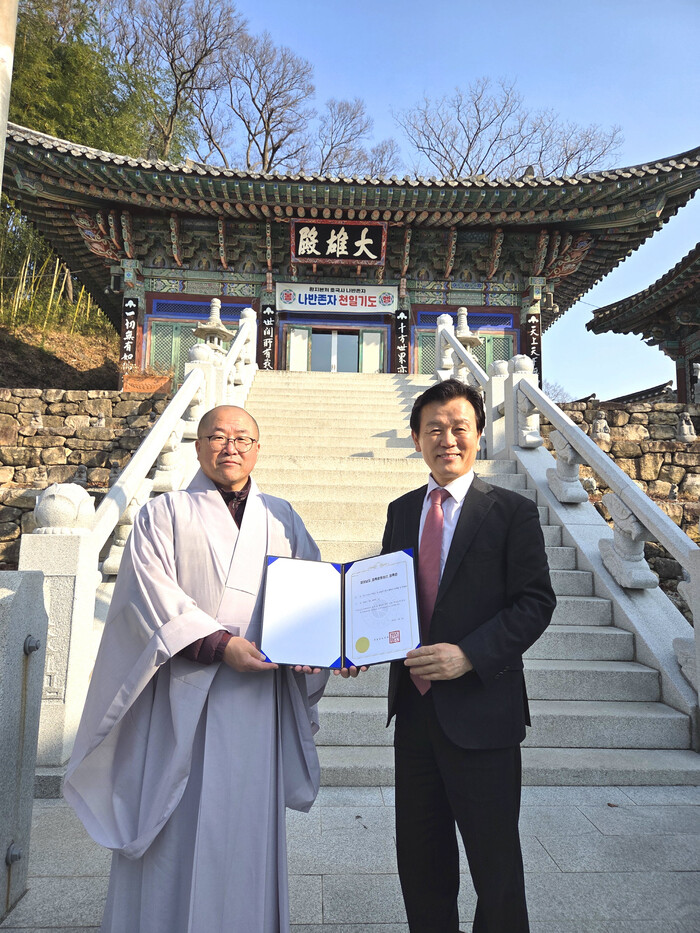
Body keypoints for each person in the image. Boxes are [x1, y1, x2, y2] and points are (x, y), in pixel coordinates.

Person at [64, 405, 329, 933]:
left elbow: (314, 595)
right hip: (185, 695)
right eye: (218, 436)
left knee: (245, 825)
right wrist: (220, 644)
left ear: (258, 449)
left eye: (243, 438)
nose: (231, 447)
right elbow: (149, 597)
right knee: (176, 826)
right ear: (199, 445)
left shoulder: (283, 518)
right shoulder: (162, 514)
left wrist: (323, 646)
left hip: (261, 701)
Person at [381, 378, 556, 933]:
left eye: (459, 427)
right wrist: (357, 643)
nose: (447, 439)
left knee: (495, 867)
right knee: (421, 862)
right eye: (433, 429)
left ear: (480, 434)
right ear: (416, 439)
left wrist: (469, 655)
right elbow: (385, 598)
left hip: (483, 713)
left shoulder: (511, 512)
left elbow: (535, 603)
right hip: (415, 715)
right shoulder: (401, 511)